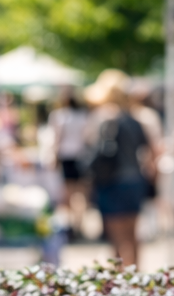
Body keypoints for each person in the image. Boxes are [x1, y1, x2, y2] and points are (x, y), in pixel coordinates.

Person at [85, 69, 153, 267]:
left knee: (116, 238)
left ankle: (120, 282)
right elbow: (147, 151)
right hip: (134, 182)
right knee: (132, 235)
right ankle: (135, 277)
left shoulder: (104, 117)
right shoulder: (133, 118)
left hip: (112, 182)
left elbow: (90, 145)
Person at [44, 88, 90, 236]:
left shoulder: (59, 116)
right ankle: (78, 224)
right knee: (80, 193)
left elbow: (56, 138)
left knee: (69, 193)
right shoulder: (83, 115)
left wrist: (53, 156)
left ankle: (72, 224)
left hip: (67, 156)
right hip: (81, 156)